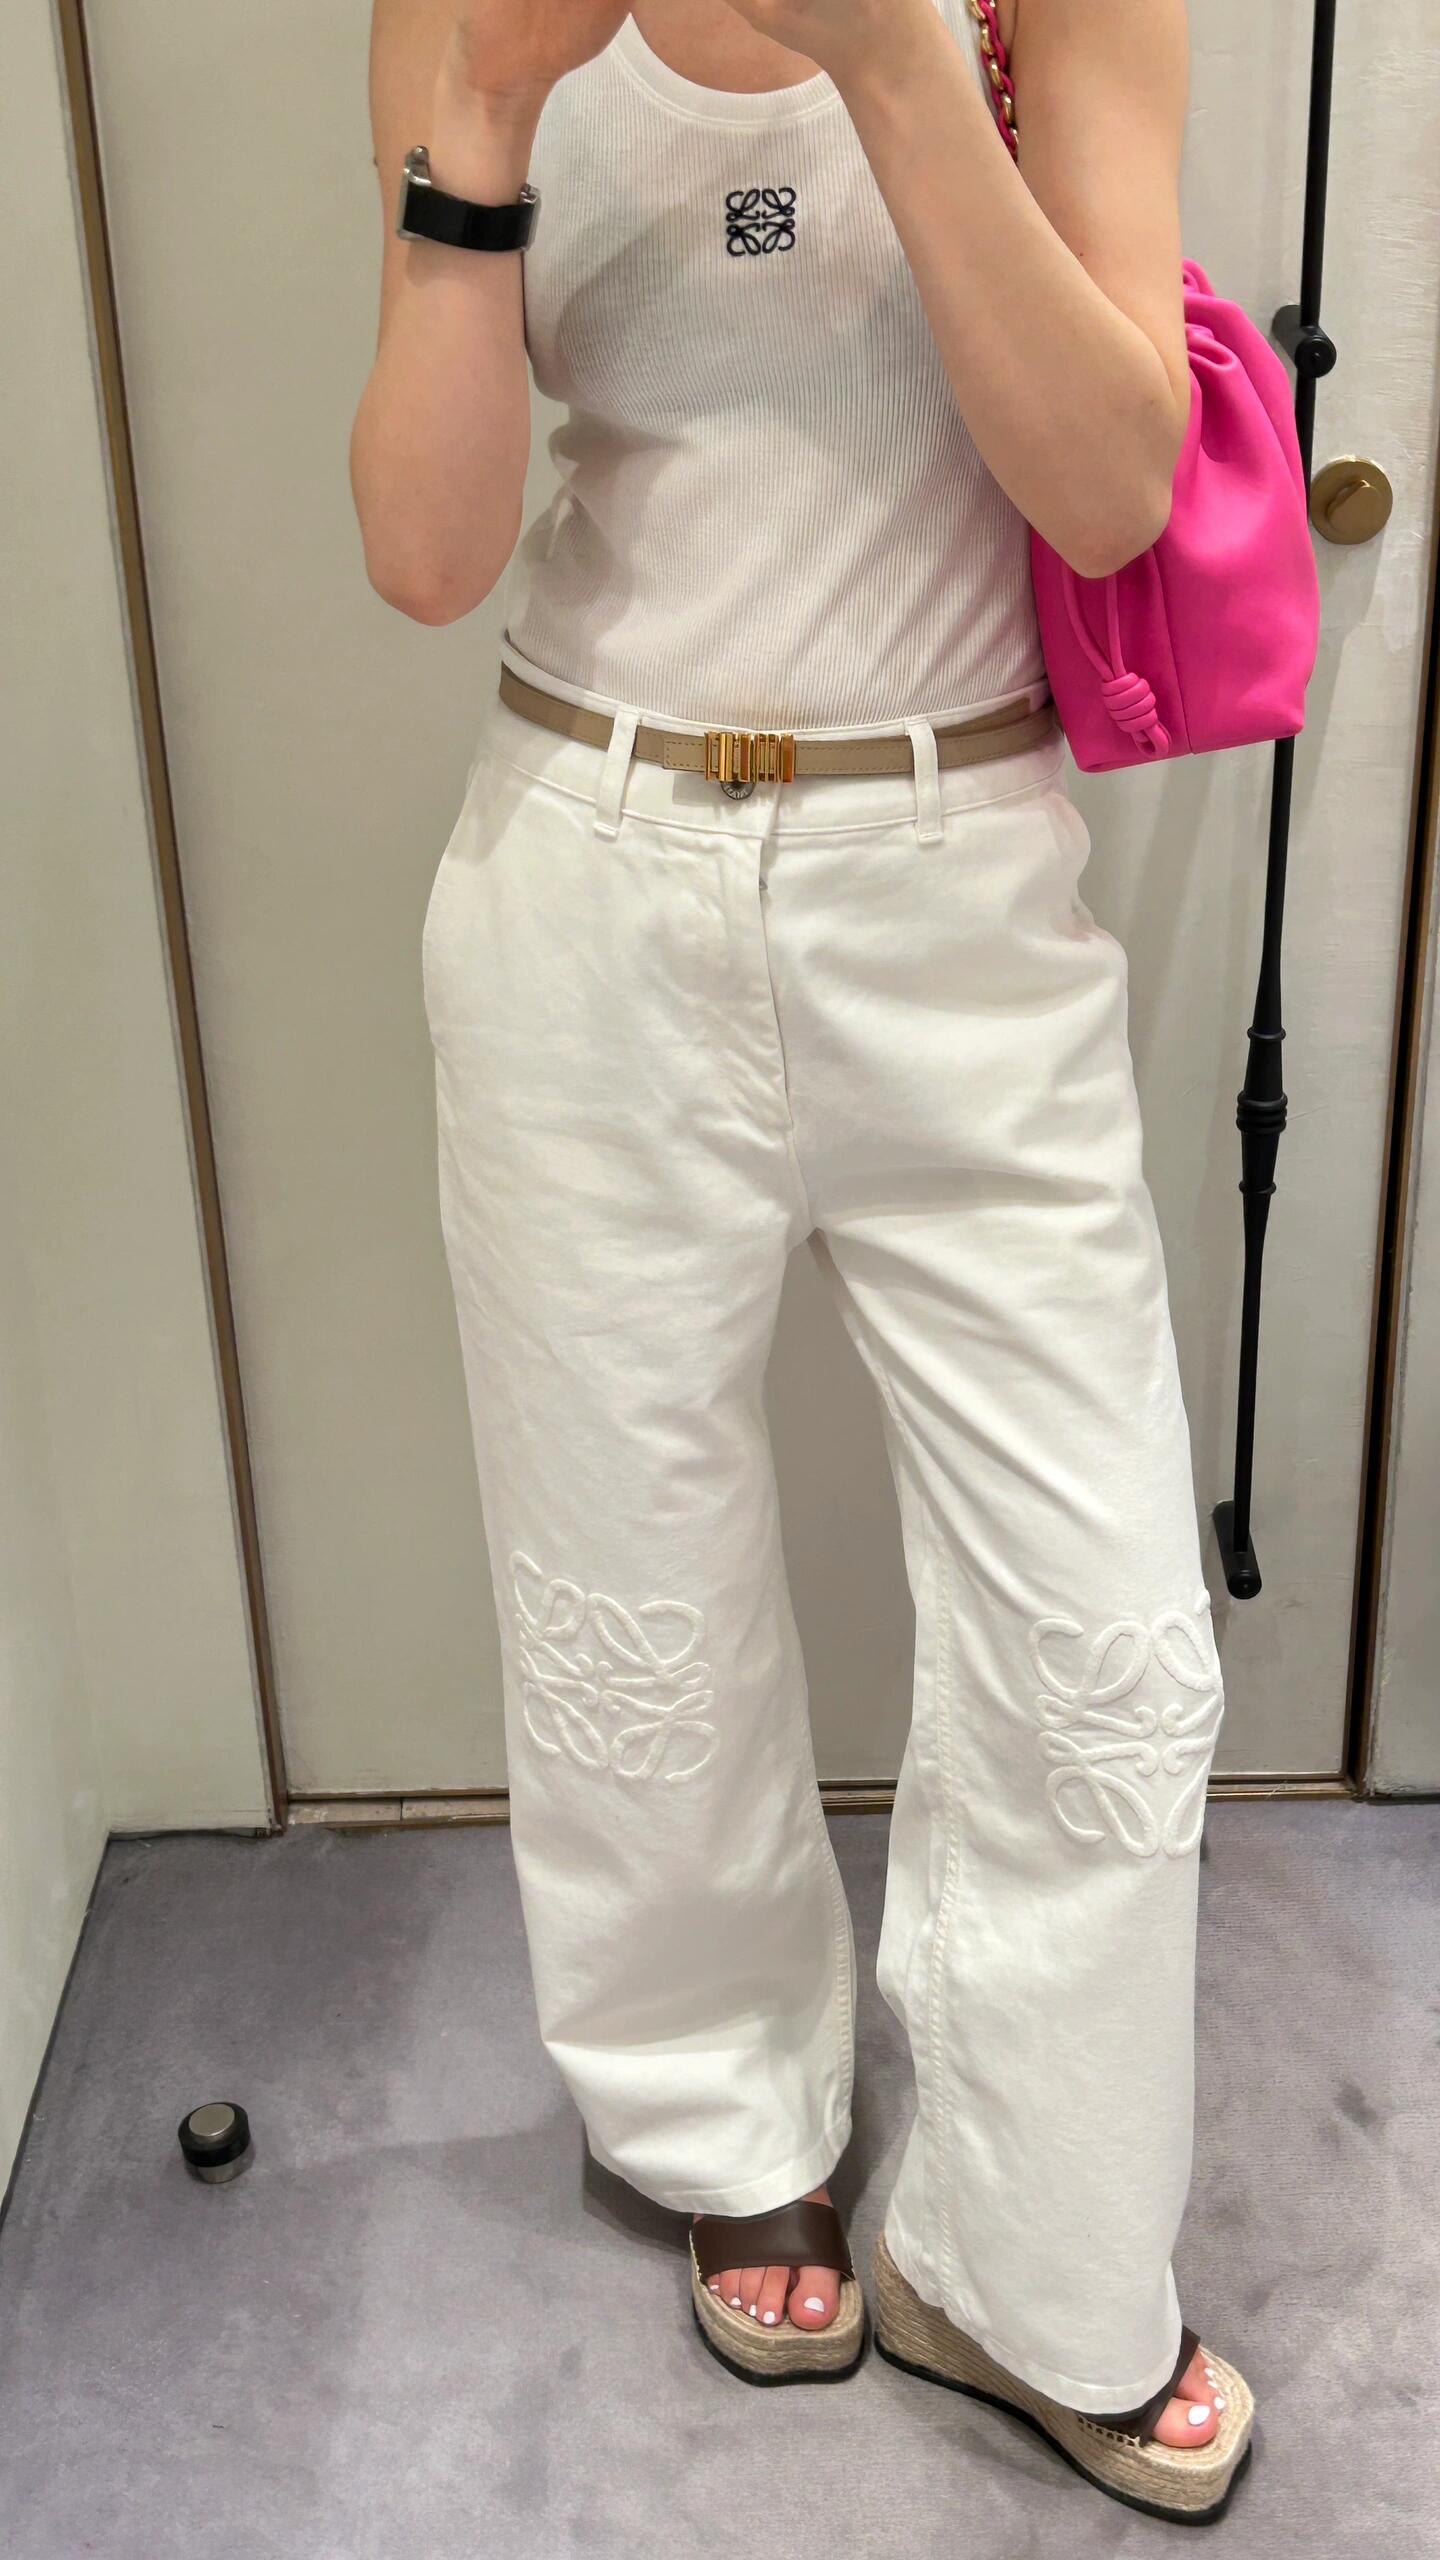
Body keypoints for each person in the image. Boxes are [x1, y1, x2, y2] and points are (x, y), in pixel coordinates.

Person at [351, 0, 1254, 2519]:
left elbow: (1110, 485)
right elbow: (423, 548)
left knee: (1104, 1634)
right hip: (588, 857)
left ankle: (1035, 2257)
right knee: (625, 1565)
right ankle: (726, 2117)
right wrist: (486, 118)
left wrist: (894, 70)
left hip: (956, 878)